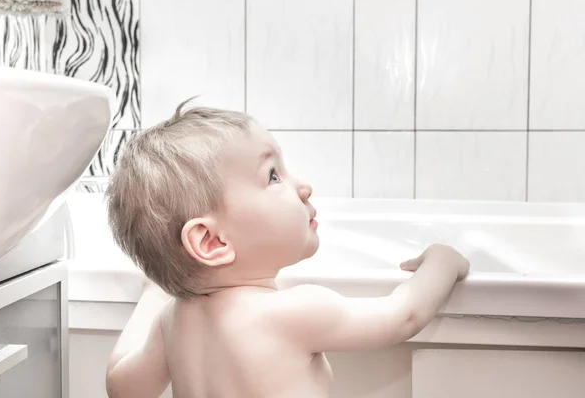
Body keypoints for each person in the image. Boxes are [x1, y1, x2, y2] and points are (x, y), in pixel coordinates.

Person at [104, 99, 470, 398]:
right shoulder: (292, 311)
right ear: (212, 242)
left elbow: (122, 387)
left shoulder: (172, 322)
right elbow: (402, 316)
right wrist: (443, 261)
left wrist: (155, 292)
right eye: (273, 176)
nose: (303, 186)